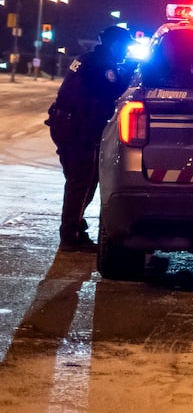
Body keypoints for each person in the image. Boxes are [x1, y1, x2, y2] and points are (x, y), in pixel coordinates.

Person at [46, 24, 135, 251]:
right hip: (79, 129)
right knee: (83, 181)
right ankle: (71, 235)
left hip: (64, 124)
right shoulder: (102, 66)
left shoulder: (88, 58)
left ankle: (74, 225)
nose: (126, 52)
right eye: (125, 47)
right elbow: (115, 88)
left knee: (77, 179)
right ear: (115, 45)